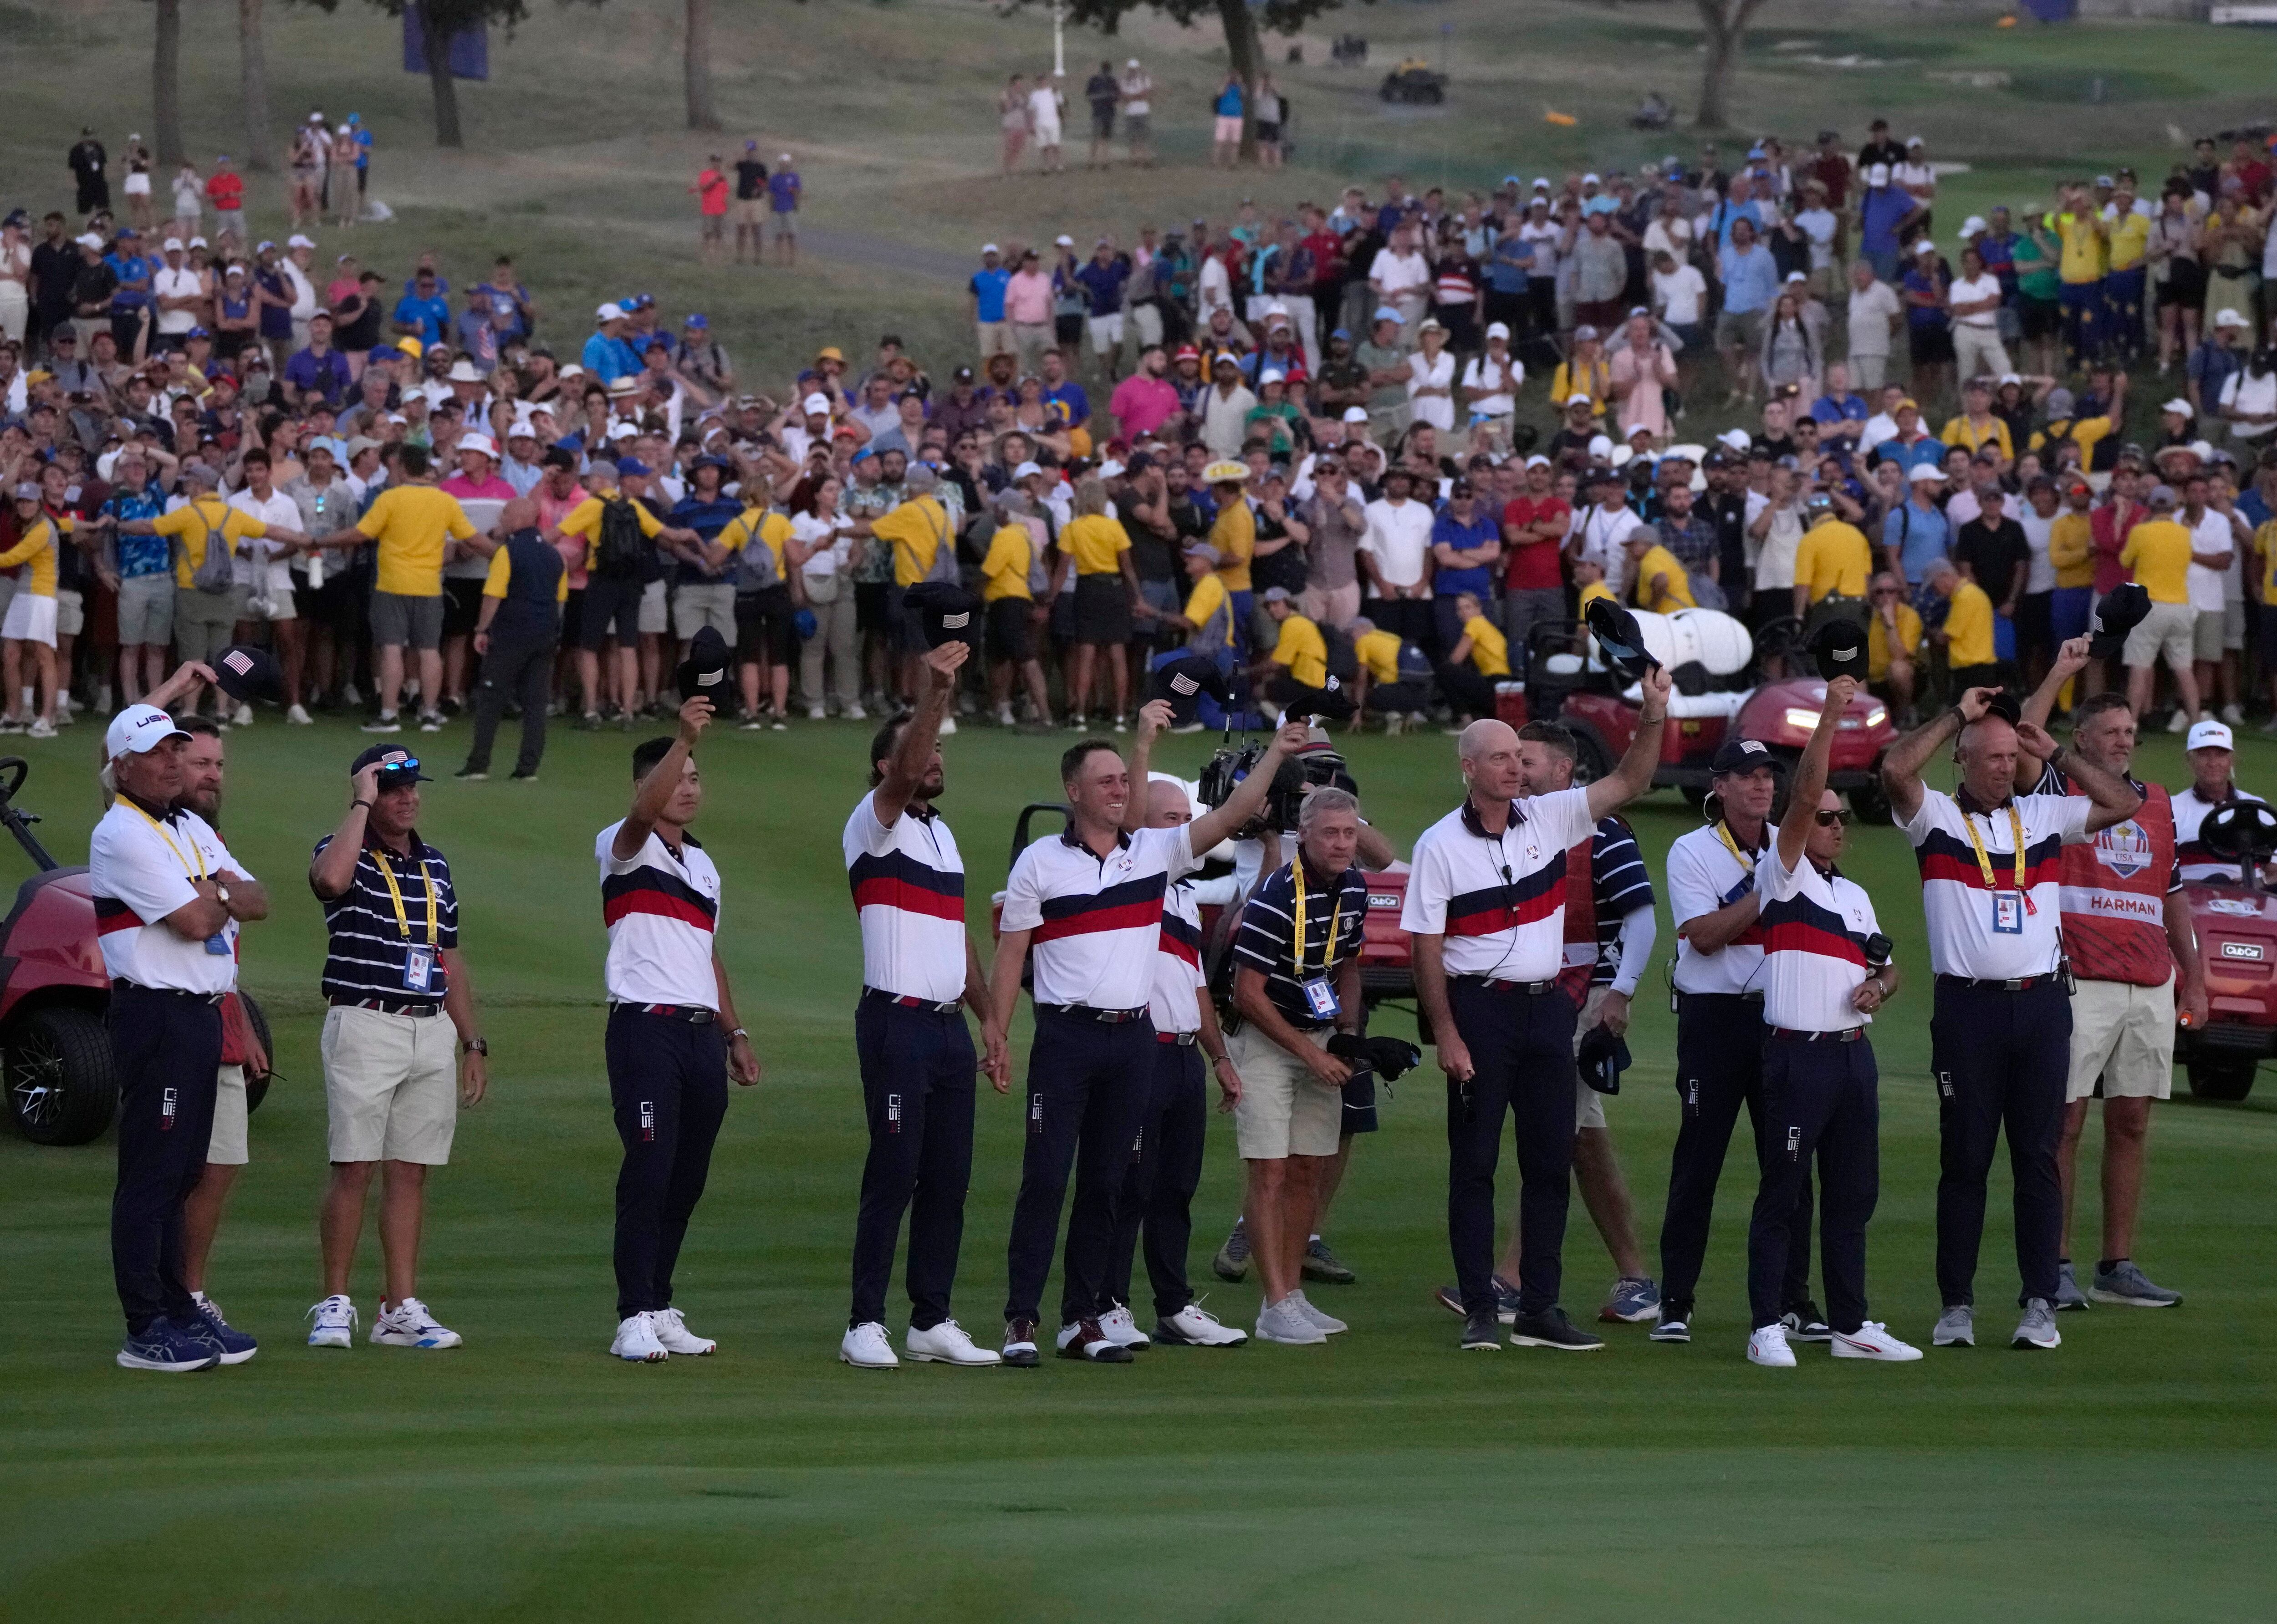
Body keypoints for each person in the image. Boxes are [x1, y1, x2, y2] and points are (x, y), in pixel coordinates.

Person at [984, 709, 1307, 1365]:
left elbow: (1234, 809)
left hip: (1131, 1040)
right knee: (1046, 1179)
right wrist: (997, 1032)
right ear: (1073, 790)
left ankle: (1081, 1320)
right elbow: (1012, 954)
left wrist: (1275, 750)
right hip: (1066, 1039)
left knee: (1107, 1182)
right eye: (1103, 780)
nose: (1116, 789)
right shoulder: (1040, 863)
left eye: (1120, 779)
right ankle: (1021, 1318)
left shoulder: (1154, 854)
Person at [1404, 689, 1673, 1354]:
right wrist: (1446, 1031)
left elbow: (1632, 779)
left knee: (1550, 1160)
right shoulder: (1439, 844)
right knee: (1474, 1164)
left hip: (1549, 1007)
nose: (1513, 769)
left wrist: (1654, 714)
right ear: (1469, 767)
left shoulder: (1552, 816)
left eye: (1517, 759)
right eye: (1500, 758)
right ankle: (1480, 1310)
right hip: (1480, 1009)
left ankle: (1540, 1308)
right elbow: (1424, 948)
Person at [1879, 683, 2139, 1351]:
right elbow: (1894, 770)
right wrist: (1956, 716)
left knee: (2038, 1157)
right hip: (1967, 1009)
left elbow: (2125, 801)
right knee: (1964, 1157)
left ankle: (2038, 1304)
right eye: (1991, 755)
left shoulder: (2045, 815)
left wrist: (2053, 749)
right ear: (1963, 759)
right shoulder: (1934, 816)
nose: (2005, 766)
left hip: (2043, 1005)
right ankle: (1957, 1304)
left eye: (2010, 756)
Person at [839, 644, 1010, 1370]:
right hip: (895, 1022)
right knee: (895, 1169)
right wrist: (936, 690)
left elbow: (956, 939)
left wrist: (989, 1017)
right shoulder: (874, 821)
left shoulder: (941, 835)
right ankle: (863, 1322)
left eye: (940, 750)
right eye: (922, 750)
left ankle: (931, 1317)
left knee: (949, 1176)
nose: (934, 760)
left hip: (943, 1029)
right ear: (888, 766)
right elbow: (910, 768)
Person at [1742, 678, 1920, 1368]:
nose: (1838, 825)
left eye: (1844, 818)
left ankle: (1850, 1324)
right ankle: (1765, 1324)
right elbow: (1807, 787)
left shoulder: (1854, 895)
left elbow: (1893, 967)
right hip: (1797, 1056)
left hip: (1852, 1056)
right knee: (1782, 1193)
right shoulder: (1782, 872)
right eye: (1827, 817)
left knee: (1853, 1195)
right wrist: (1833, 717)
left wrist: (1879, 985)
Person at [2020, 666, 2203, 1313]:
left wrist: (2196, 975)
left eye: (2131, 730)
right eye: (2113, 731)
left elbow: (2173, 892)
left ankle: (2116, 1265)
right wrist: (2064, 669)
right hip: (2078, 977)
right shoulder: (2057, 786)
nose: (2126, 740)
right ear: (2083, 738)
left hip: (2150, 979)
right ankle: (2057, 1262)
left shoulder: (2158, 801)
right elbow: (2026, 735)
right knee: (2064, 1122)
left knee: (2131, 1121)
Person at [96, 702, 268, 1372]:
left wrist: (216, 891)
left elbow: (256, 898)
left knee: (186, 1171)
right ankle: (145, 1324)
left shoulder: (190, 823)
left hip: (201, 1013)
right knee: (152, 1173)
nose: (173, 760)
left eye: (177, 748)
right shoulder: (122, 833)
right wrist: (217, 894)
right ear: (124, 765)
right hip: (156, 1013)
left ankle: (176, 1305)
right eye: (159, 751)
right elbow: (198, 920)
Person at [302, 745, 485, 1354]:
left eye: (411, 787)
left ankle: (399, 1306)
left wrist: (471, 1040)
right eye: (390, 788)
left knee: (410, 1170)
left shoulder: (435, 863)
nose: (406, 797)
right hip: (364, 1020)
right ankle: (334, 1300)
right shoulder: (341, 848)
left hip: (429, 1025)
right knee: (354, 1166)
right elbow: (327, 881)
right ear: (368, 793)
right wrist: (359, 798)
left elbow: (449, 955)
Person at [597, 699, 764, 1362]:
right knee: (649, 1164)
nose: (691, 786)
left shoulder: (703, 865)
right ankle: (631, 1312)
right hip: (644, 1028)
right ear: (648, 785)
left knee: (686, 1175)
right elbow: (642, 816)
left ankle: (659, 1301)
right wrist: (686, 733)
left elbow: (707, 955)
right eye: (680, 775)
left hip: (699, 1034)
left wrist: (735, 1030)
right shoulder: (622, 844)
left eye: (697, 775)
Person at [1650, 737, 1818, 1347]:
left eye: (1768, 775)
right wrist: (1768, 889)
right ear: (1718, 786)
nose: (1762, 785)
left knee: (1792, 1162)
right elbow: (1703, 937)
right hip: (1715, 1019)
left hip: (1781, 1018)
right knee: (1700, 1160)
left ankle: (1795, 1300)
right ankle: (1676, 1301)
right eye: (1746, 776)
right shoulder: (1690, 850)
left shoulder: (1790, 844)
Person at [1101, 774, 1249, 1349]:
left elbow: (1195, 988)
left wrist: (1219, 1059)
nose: (1185, 831)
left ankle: (1172, 1305)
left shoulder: (1185, 895)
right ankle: (1109, 1304)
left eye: (1188, 819)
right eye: (1170, 819)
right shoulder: (1130, 880)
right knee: (1128, 1187)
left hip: (1185, 1057)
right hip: (1141, 1053)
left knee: (1175, 1190)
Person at [1225, 784, 1369, 1345]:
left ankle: (1286, 1295)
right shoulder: (1275, 895)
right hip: (1266, 1041)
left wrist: (1347, 1036)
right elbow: (1247, 994)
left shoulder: (1354, 886)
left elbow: (1349, 964)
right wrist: (1310, 1051)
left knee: (1310, 1166)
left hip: (1319, 1036)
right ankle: (1276, 1303)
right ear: (1302, 836)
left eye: (1349, 833)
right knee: (1270, 1170)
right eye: (1330, 833)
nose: (1340, 844)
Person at [170, 711, 271, 1345]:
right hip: (168, 1016)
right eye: (201, 762)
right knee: (170, 1168)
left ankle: (191, 1291)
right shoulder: (140, 824)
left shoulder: (209, 835)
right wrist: (176, 690)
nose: (213, 774)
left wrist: (241, 1015)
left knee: (222, 1162)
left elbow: (250, 906)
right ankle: (165, 1298)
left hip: (218, 1010)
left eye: (218, 764)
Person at [309, 443, 476, 734]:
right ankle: (429, 713)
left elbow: (360, 534)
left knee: (392, 649)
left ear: (401, 467)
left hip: (392, 583)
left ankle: (389, 715)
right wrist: (503, 552)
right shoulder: (445, 501)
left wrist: (319, 541)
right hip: (429, 586)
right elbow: (472, 539)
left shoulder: (390, 498)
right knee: (429, 650)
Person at [456, 496, 564, 782]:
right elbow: (560, 599)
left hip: (511, 635)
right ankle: (528, 768)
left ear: (520, 518)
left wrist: (482, 629)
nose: (501, 519)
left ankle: (479, 764)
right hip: (544, 636)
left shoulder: (508, 552)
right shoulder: (555, 556)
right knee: (535, 703)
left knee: (491, 699)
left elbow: (494, 595)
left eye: (505, 514)